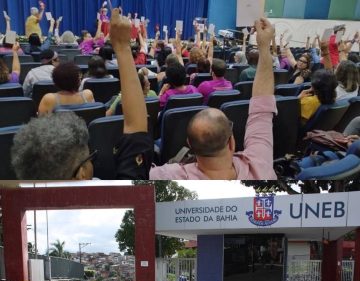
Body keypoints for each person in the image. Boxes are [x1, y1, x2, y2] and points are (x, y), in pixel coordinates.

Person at [12, 8, 153, 180]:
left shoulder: (48, 99)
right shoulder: (87, 94)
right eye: (90, 157)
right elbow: (136, 133)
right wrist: (123, 47)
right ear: (81, 174)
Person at [150, 17, 277, 180]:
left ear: (190, 145)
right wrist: (265, 47)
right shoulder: (259, 167)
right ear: (232, 143)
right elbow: (262, 108)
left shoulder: (168, 176)